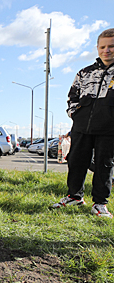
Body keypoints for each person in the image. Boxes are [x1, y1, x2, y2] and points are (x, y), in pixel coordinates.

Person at [53, 28, 114, 220]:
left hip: (109, 130)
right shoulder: (85, 72)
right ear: (97, 48)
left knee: (104, 165)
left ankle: (100, 204)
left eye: (111, 46)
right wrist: (75, 115)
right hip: (81, 128)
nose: (107, 50)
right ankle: (74, 197)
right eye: (103, 47)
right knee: (76, 161)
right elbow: (72, 96)